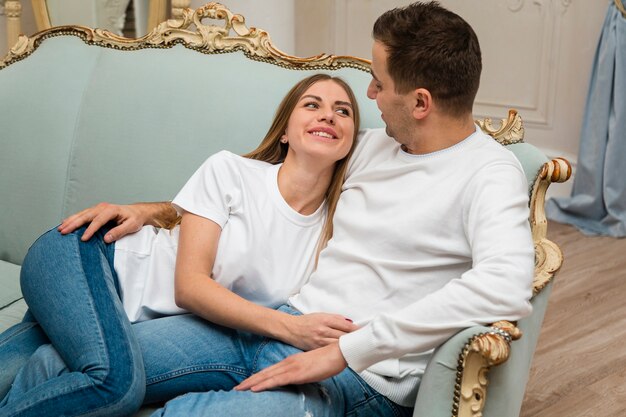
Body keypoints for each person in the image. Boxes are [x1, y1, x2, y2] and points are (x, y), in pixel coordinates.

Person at [4, 2, 535, 416]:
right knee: (55, 363)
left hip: (355, 373)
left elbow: (506, 283)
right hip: (273, 324)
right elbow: (265, 185)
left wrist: (351, 350)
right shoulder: (372, 148)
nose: (369, 92)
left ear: (420, 103)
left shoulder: (488, 174)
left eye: (378, 82)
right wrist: (155, 210)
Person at [0, 73, 360, 416]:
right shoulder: (231, 171)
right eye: (312, 105)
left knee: (25, 372)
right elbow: (190, 286)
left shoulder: (334, 229)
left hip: (110, 315)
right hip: (89, 258)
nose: (328, 115)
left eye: (342, 111)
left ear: (353, 142)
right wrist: (291, 328)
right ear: (284, 131)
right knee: (115, 385)